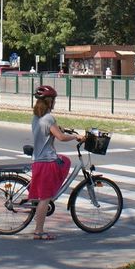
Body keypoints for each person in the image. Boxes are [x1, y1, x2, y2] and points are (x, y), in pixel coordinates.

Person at [28, 85, 85, 241]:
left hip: (38, 160)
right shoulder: (49, 118)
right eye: (54, 100)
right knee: (45, 198)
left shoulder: (37, 117)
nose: (55, 103)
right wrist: (75, 137)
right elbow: (60, 137)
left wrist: (58, 129)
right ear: (50, 101)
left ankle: (45, 201)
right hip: (47, 162)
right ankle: (39, 231)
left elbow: (50, 131)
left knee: (63, 161)